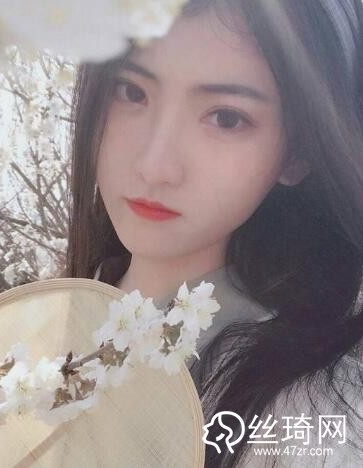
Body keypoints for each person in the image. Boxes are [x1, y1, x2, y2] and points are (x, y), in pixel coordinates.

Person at [63, 0, 363, 466]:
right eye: (131, 91)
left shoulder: (307, 413)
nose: (154, 165)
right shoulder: (41, 323)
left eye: (226, 118)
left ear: (296, 154)